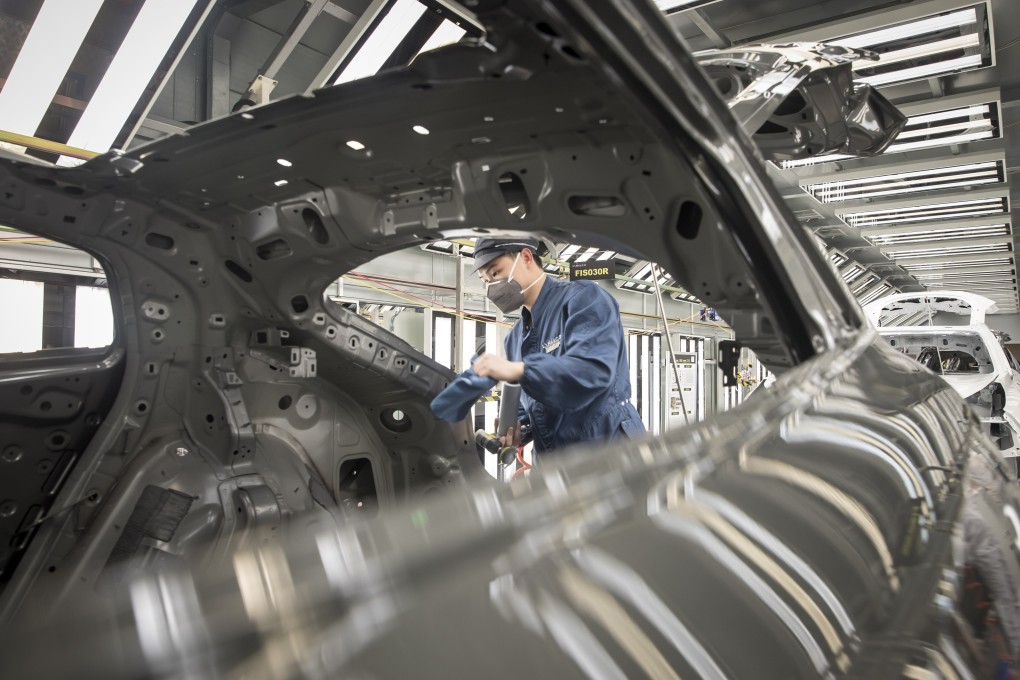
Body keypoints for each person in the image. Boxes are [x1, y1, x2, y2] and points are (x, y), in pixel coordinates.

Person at [470, 237, 645, 455]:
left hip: (609, 448)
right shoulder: (514, 338)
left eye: (495, 273)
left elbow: (592, 371)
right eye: (485, 280)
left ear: (525, 257)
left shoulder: (584, 299)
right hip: (553, 458)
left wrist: (519, 369)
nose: (491, 286)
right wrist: (520, 428)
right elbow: (533, 403)